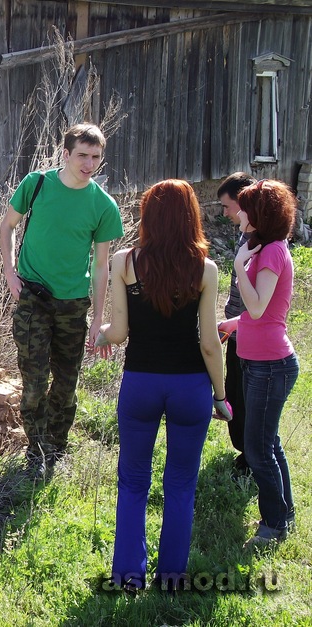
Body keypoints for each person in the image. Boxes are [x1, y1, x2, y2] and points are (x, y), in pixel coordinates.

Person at [95, 180, 231, 592]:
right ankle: (172, 578)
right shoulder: (205, 268)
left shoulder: (124, 261)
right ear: (192, 216)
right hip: (190, 387)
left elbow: (118, 333)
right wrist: (222, 398)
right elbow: (209, 344)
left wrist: (98, 333)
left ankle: (127, 577)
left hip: (141, 384)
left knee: (134, 481)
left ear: (147, 216)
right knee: (181, 484)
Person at [0, 123, 124, 477]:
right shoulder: (36, 184)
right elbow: (7, 226)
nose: (88, 163)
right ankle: (35, 450)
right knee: (35, 382)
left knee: (66, 385)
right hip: (33, 298)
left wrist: (99, 317)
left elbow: (102, 267)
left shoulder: (103, 205)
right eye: (82, 155)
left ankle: (56, 448)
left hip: (73, 305)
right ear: (66, 154)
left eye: (95, 157)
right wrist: (9, 272)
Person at [223, 179, 299, 547]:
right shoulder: (267, 248)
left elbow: (257, 305)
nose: (238, 213)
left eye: (245, 206)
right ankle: (285, 514)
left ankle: (273, 526)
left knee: (257, 449)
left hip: (271, 366)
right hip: (260, 361)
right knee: (270, 443)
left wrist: (239, 265)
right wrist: (233, 324)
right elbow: (261, 314)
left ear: (260, 215)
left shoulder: (269, 253)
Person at [217, 172, 257, 476]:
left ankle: (251, 458)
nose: (225, 212)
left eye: (228, 206)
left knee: (245, 394)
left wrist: (235, 324)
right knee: (235, 389)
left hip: (251, 331)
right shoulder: (246, 233)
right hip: (237, 326)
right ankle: (245, 451)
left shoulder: (259, 241)